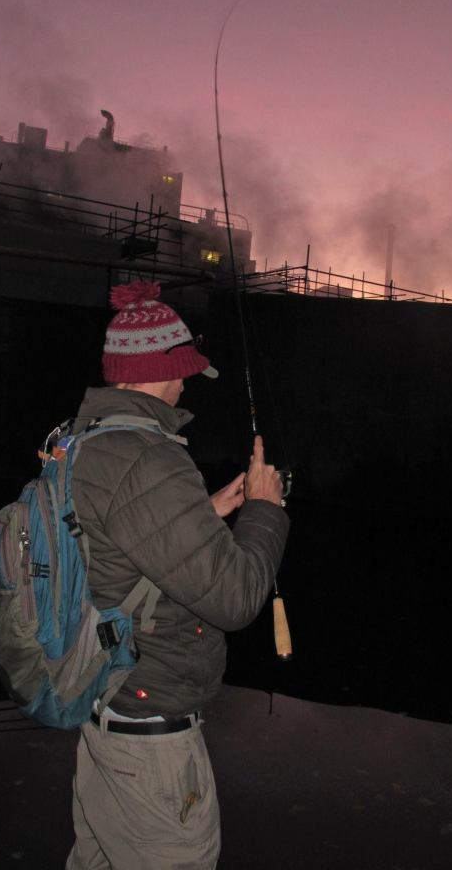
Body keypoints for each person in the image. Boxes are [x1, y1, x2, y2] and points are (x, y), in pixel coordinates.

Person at [66, 280, 289, 870]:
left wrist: (204, 512)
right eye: (185, 370)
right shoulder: (151, 458)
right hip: (150, 735)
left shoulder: (83, 440)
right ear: (163, 368)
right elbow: (236, 599)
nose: (188, 382)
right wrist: (265, 511)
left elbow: (114, 538)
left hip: (103, 709)